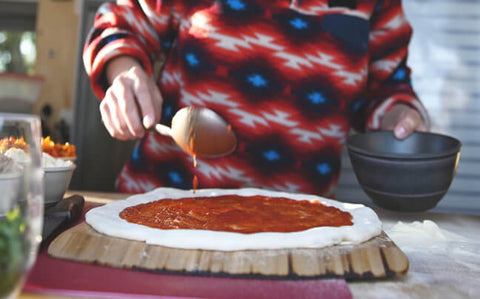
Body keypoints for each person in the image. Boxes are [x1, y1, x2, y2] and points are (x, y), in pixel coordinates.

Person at [83, 0, 429, 197]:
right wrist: (125, 72)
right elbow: (120, 24)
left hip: (300, 228)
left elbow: (387, 86)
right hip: (162, 204)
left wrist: (399, 117)